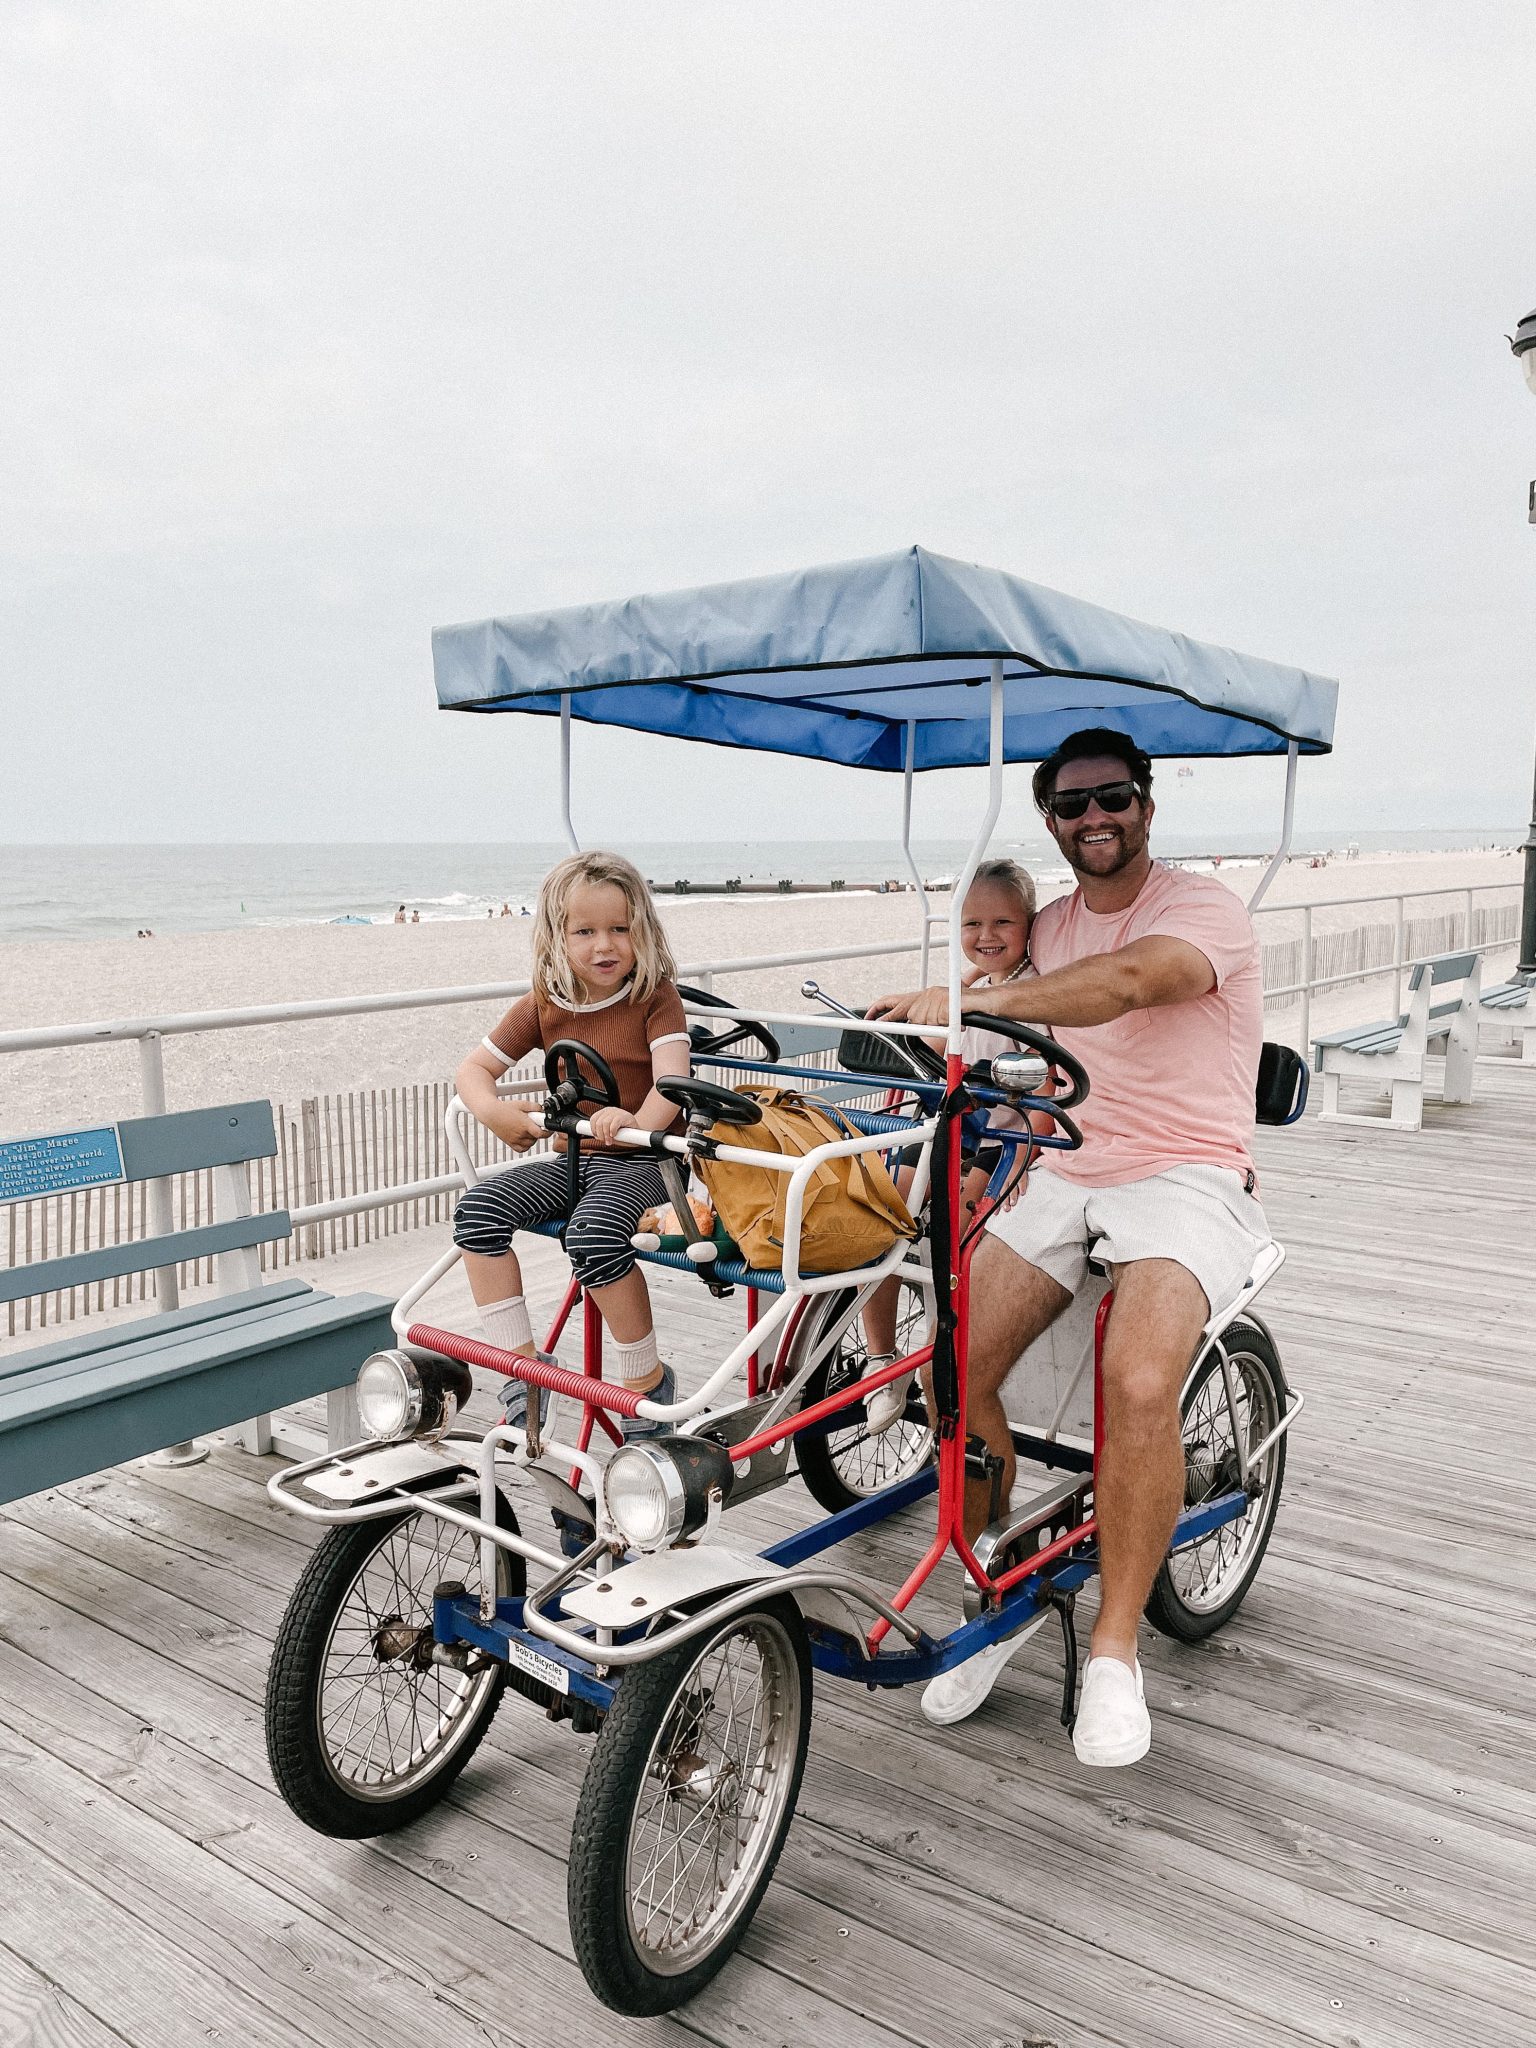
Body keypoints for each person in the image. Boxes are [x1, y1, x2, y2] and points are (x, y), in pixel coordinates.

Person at [871, 727, 1268, 1765]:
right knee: (952, 1369)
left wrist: (977, 998)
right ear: (1050, 817)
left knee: (1138, 1379)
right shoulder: (1044, 922)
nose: (1097, 817)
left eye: (1115, 797)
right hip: (1070, 1161)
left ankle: (1116, 1650)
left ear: (1146, 804)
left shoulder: (1201, 910)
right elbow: (1000, 976)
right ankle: (996, 1583)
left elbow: (1131, 981)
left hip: (1185, 1169)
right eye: (1074, 803)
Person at [452, 850, 691, 1435]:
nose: (603, 946)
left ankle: (644, 1380)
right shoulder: (545, 1000)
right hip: (578, 1157)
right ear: (557, 938)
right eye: (584, 931)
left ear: (643, 931)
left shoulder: (654, 997)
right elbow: (472, 1072)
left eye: (619, 929)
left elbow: (675, 1085)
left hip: (649, 1162)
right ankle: (522, 1367)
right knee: (476, 1211)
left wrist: (632, 1120)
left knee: (591, 1235)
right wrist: (494, 1112)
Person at [862, 857, 1040, 1433]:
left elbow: (1053, 1088)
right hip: (954, 1122)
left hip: (1003, 1134)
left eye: (1003, 924)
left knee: (960, 1210)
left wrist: (1028, 1158)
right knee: (885, 1206)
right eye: (972, 925)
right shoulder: (969, 989)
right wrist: (947, 991)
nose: (986, 937)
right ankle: (882, 1356)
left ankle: (947, 1343)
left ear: (1030, 925)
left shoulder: (1040, 994)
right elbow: (940, 1049)